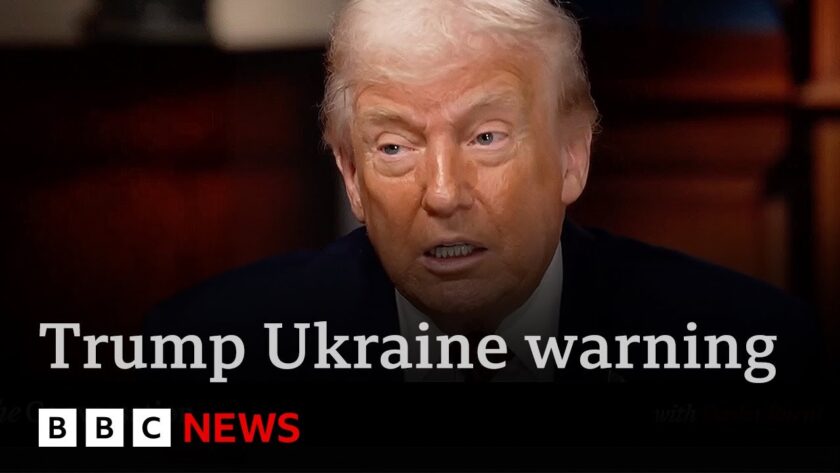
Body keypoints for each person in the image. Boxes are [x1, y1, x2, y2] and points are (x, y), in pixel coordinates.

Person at [146, 0, 822, 383]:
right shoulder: (210, 354)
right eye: (394, 147)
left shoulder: (751, 351)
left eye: (487, 137)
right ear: (351, 175)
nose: (443, 194)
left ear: (572, 154)